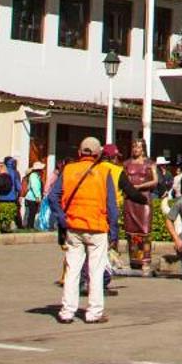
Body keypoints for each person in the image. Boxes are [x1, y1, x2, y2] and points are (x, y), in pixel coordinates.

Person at [47, 137, 118, 323]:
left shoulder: (68, 170)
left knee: (72, 270)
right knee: (95, 271)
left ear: (80, 153)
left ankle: (67, 312)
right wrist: (114, 231)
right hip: (97, 228)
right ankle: (93, 313)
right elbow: (112, 205)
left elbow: (53, 196)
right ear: (98, 155)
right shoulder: (104, 172)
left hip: (74, 227)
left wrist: (63, 219)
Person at [120, 143, 158, 276]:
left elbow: (155, 181)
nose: (135, 149)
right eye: (134, 147)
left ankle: (146, 261)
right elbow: (122, 180)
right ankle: (134, 260)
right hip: (130, 198)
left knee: (144, 231)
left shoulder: (150, 163)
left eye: (138, 147)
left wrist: (140, 186)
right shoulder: (126, 163)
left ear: (143, 149)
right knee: (131, 232)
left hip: (144, 198)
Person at [20, 161, 44, 230]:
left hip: (32, 198)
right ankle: (30, 226)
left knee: (32, 213)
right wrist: (37, 197)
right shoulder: (33, 176)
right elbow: (35, 187)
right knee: (32, 213)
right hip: (32, 198)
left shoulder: (35, 176)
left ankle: (30, 226)